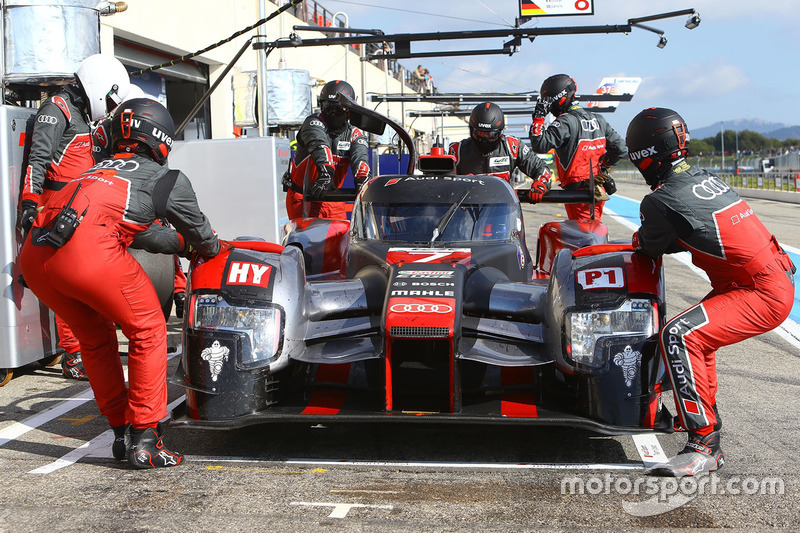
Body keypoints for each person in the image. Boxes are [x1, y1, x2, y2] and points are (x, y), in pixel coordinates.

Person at [19, 98, 222, 469]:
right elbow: (203, 237)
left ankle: (119, 430)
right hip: (85, 255)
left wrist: (177, 243)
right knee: (147, 328)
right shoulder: (165, 178)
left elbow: (144, 235)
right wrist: (208, 245)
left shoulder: (95, 170)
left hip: (35, 257)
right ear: (160, 138)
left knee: (95, 338)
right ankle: (145, 436)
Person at [626, 107, 795, 477]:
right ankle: (706, 420)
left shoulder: (660, 199)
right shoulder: (703, 176)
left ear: (645, 155)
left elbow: (650, 246)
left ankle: (704, 445)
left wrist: (643, 238)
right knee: (696, 337)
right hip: (767, 278)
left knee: (680, 335)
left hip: (759, 290)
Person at [18, 53, 130, 380]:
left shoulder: (81, 114)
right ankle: (73, 354)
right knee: (69, 283)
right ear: (97, 85)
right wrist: (29, 205)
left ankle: (94, 345)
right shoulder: (57, 110)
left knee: (91, 279)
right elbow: (37, 161)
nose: (109, 106)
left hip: (81, 206)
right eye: (109, 98)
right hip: (55, 208)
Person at [529, 74, 626, 221]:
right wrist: (603, 167)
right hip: (598, 188)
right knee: (593, 231)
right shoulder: (598, 119)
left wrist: (538, 117)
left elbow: (539, 145)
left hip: (577, 193)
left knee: (584, 238)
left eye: (549, 102)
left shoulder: (565, 122)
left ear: (559, 99)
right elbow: (620, 148)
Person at [284, 80, 371, 220]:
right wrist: (325, 172)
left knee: (341, 239)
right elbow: (318, 144)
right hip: (304, 198)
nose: (332, 113)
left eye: (337, 109)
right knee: (305, 240)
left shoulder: (355, 134)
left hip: (332, 200)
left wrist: (363, 180)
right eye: (327, 107)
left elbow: (361, 158)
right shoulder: (312, 123)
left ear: (349, 111)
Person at [449, 102, 551, 202]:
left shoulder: (512, 146)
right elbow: (438, 182)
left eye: (490, 135)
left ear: (500, 132)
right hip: (467, 212)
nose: (484, 140)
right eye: (480, 134)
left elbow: (542, 169)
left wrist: (540, 184)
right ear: (471, 131)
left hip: (503, 212)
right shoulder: (457, 150)